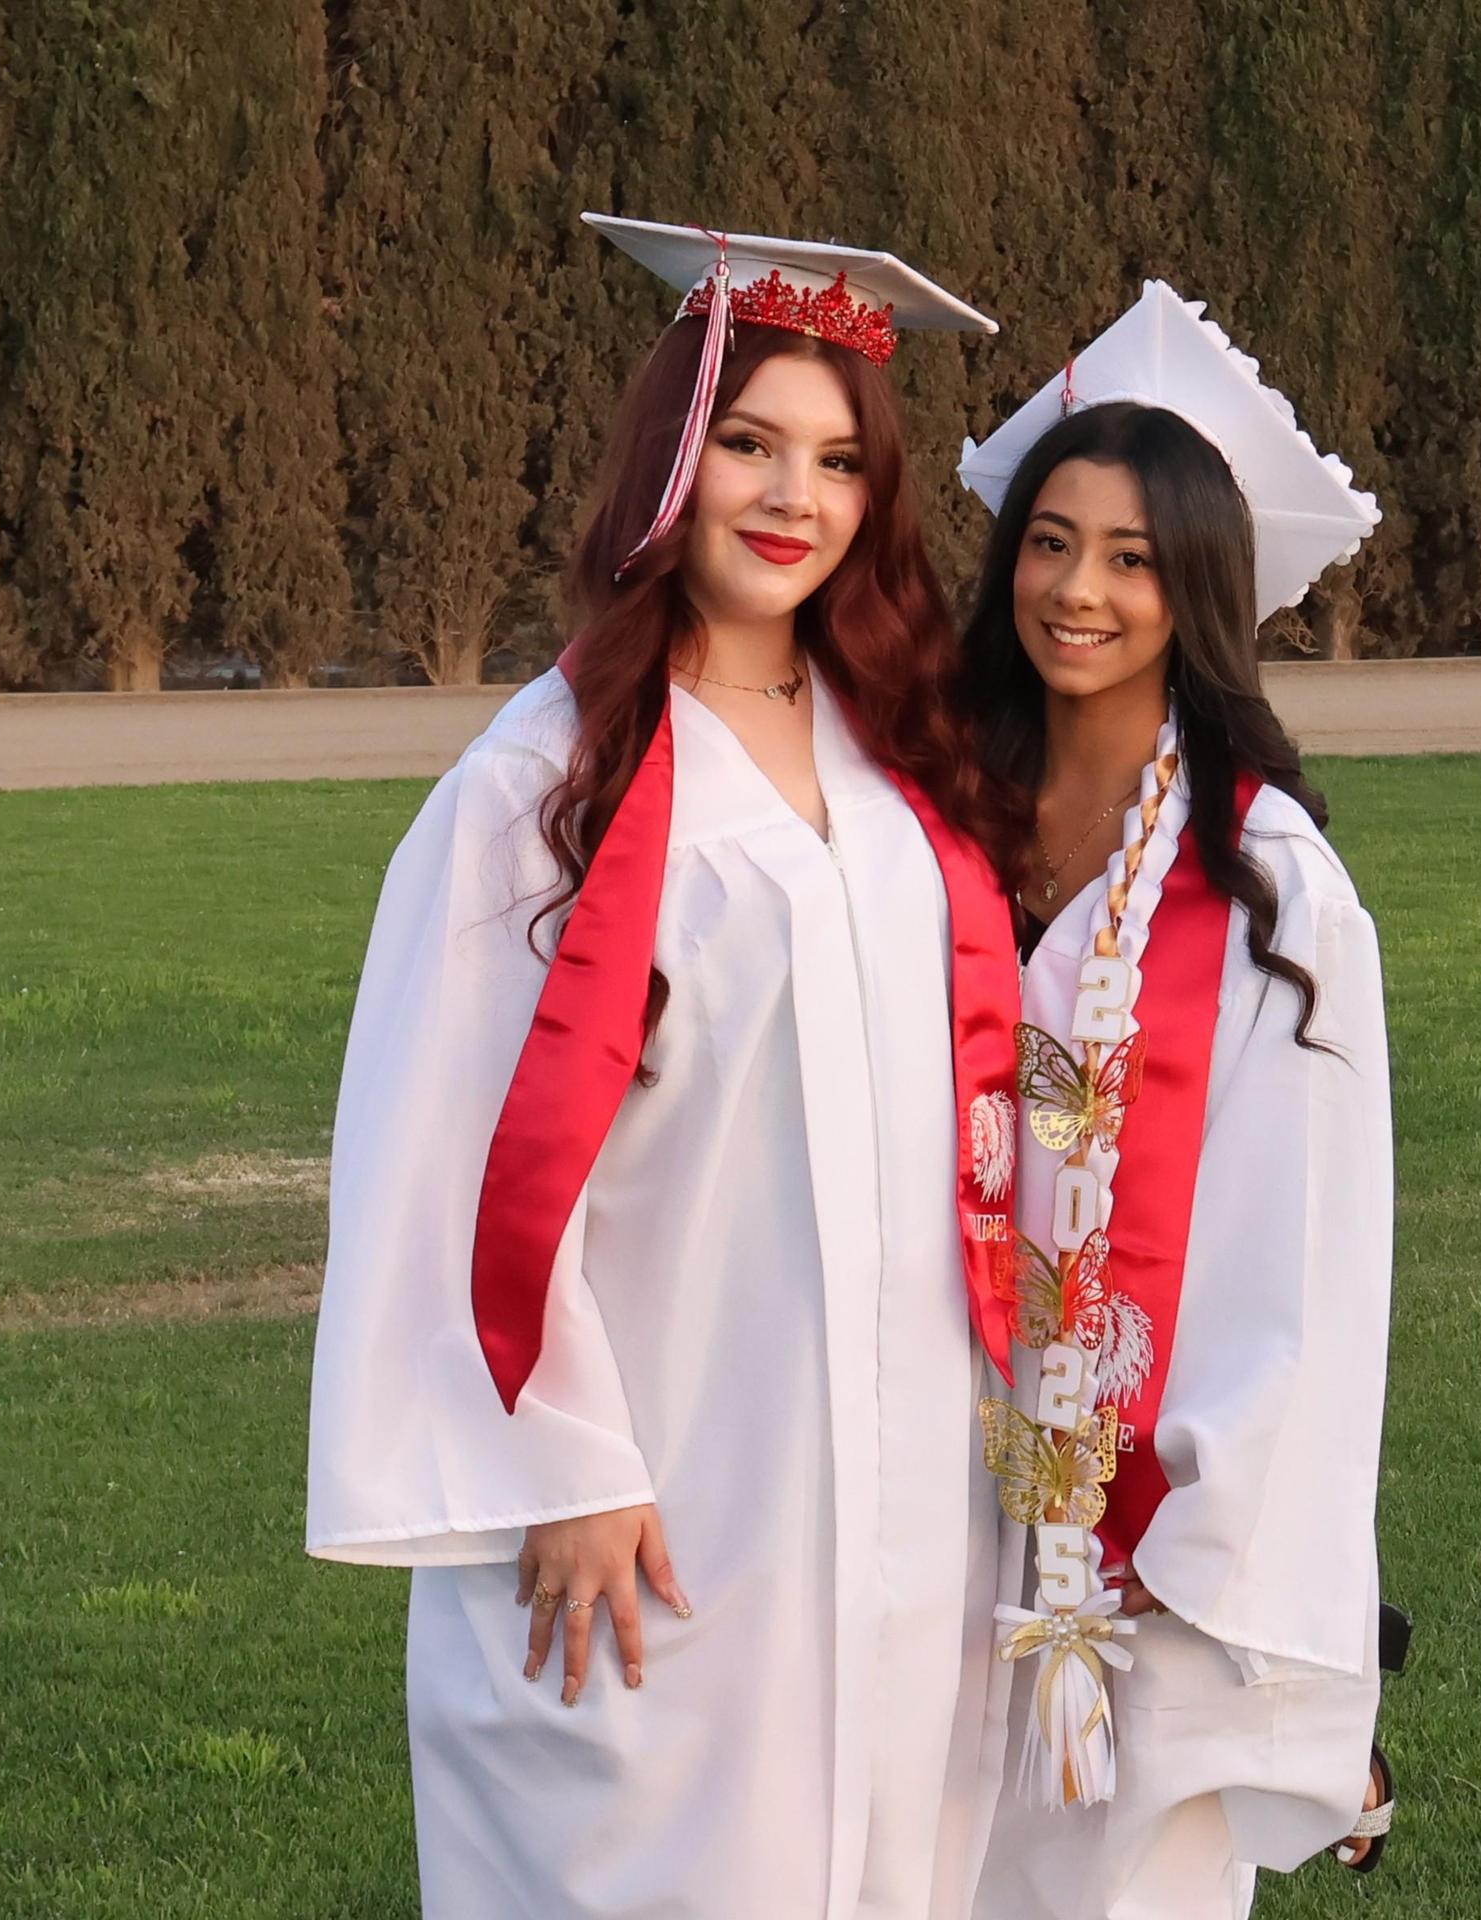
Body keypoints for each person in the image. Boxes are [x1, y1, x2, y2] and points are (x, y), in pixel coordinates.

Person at [306, 219, 1025, 1920]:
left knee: (882, 1858)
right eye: (749, 442)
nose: (793, 496)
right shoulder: (542, 778)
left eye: (840, 460)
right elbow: (438, 1142)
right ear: (669, 458)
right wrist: (563, 1464)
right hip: (675, 1465)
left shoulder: (900, 750)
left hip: (907, 1457)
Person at [955, 283, 1396, 1918]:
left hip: (1140, 1559)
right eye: (1051, 542)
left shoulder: (1267, 882)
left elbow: (1307, 1263)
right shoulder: (941, 813)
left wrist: (1216, 1574)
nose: (1077, 590)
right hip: (925, 1505)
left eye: (1134, 559)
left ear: (1199, 590)